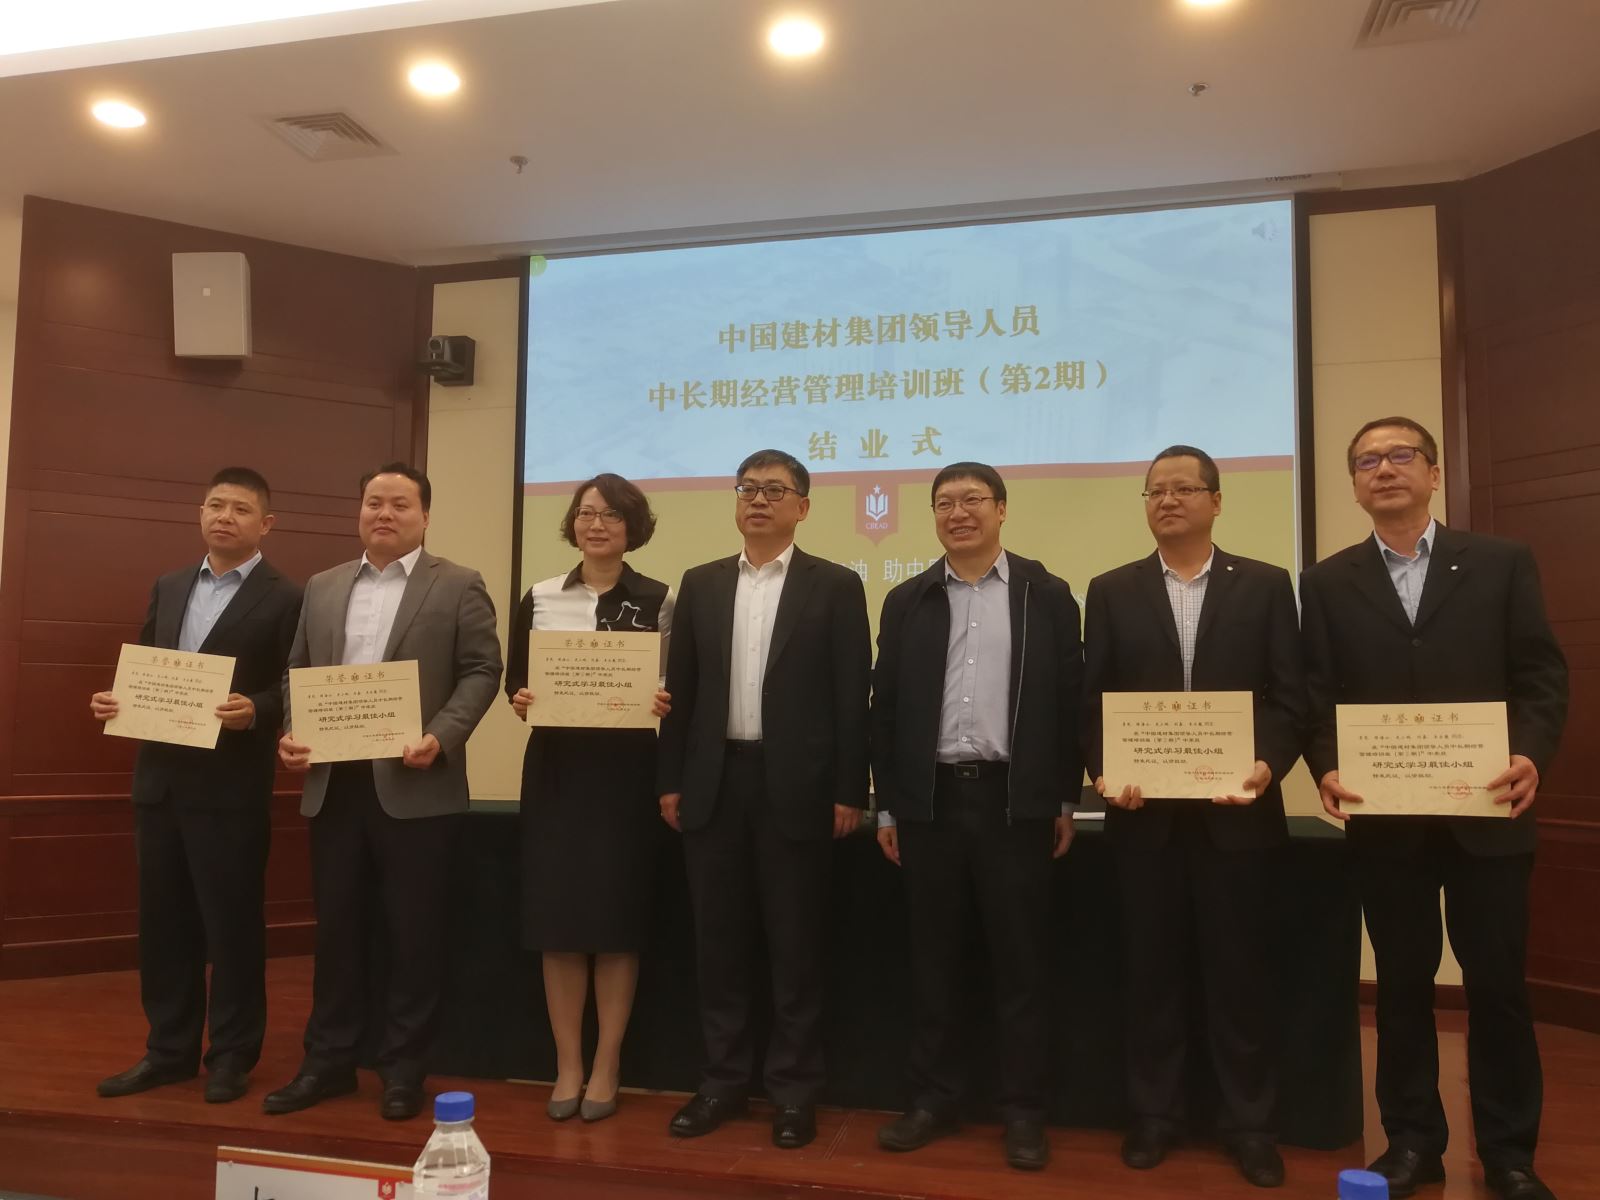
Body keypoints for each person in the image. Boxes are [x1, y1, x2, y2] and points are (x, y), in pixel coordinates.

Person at [1302, 417, 1568, 1200]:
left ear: (1433, 472)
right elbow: (1317, 695)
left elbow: (1541, 675)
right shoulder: (1327, 580)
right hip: (1387, 822)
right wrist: (1327, 763)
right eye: (1367, 461)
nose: (1384, 469)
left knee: (1498, 989)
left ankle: (1509, 1155)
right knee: (1401, 988)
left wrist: (1531, 753)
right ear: (1355, 484)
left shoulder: (1500, 562)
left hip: (1490, 814)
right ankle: (1413, 1144)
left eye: (1400, 456)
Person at [1081, 445, 1306, 1189]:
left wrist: (1267, 764)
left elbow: (1289, 697)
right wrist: (1103, 770)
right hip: (1143, 820)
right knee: (1150, 975)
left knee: (1240, 977)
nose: (1168, 500)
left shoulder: (1265, 585)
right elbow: (1093, 700)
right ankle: (1154, 1116)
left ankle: (1250, 1126)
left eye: (1183, 489)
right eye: (1155, 491)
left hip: (1238, 818)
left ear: (1216, 499)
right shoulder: (1111, 589)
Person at [265, 463, 502, 1122]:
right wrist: (292, 730)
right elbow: (297, 670)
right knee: (338, 932)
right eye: (374, 502)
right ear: (360, 511)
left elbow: (483, 669)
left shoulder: (458, 584)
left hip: (416, 784)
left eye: (400, 504)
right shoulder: (323, 585)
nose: (384, 514)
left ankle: (403, 1068)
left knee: (413, 935)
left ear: (425, 516)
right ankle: (328, 1061)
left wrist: (441, 737)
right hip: (335, 785)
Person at [656, 448, 871, 1150]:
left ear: (802, 507)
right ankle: (721, 1083)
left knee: (795, 948)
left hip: (799, 790)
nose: (758, 500)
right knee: (718, 947)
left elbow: (852, 696)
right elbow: (681, 692)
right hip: (714, 785)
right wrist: (671, 779)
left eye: (775, 490)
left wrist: (849, 788)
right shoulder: (702, 583)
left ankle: (794, 1092)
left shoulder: (834, 585)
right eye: (748, 488)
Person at [871, 461, 1082, 1172]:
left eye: (972, 500)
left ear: (1001, 509)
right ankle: (933, 1099)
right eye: (944, 503)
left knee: (1021, 963)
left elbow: (1067, 700)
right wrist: (888, 804)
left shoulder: (1046, 594)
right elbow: (885, 708)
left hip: (1013, 802)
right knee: (933, 961)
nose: (957, 513)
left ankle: (1023, 1110)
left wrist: (1062, 798)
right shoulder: (907, 599)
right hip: (928, 802)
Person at [90, 468, 302, 1105]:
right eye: (215, 505)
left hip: (231, 789)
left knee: (232, 928)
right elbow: (147, 664)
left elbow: (295, 684)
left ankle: (232, 1055)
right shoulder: (171, 583)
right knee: (164, 927)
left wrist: (258, 710)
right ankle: (168, 1051)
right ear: (200, 513)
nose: (224, 517)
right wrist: (116, 700)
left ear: (266, 524)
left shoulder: (288, 597)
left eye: (240, 509)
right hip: (159, 785)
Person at [504, 473, 673, 1124]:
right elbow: (517, 684)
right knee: (560, 923)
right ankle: (568, 1063)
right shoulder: (541, 596)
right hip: (557, 770)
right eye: (585, 513)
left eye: (610, 515)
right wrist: (522, 698)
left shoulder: (659, 599)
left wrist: (664, 698)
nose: (595, 524)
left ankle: (608, 1063)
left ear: (633, 526)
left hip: (627, 773)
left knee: (615, 921)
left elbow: (675, 684)